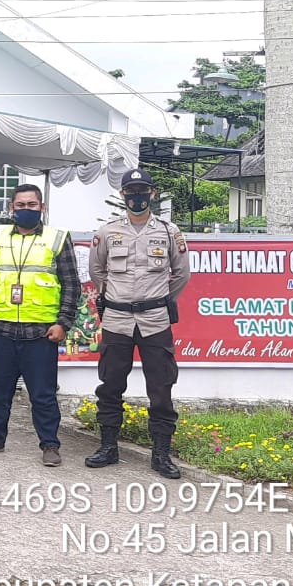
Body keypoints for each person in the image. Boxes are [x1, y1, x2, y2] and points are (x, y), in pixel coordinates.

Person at [85, 168, 191, 478]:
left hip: (155, 319)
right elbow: (97, 271)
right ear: (123, 195)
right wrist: (115, 297)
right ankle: (108, 447)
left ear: (153, 194)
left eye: (142, 191)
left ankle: (161, 454)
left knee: (161, 387)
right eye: (131, 192)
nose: (137, 197)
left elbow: (181, 274)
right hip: (117, 318)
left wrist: (157, 298)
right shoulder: (106, 232)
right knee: (110, 385)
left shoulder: (170, 232)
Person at [0, 183, 79, 466]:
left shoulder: (57, 238)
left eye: (32, 205)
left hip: (41, 332)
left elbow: (71, 285)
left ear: (42, 207)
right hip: (1, 330)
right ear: (12, 208)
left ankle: (50, 444)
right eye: (20, 205)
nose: (26, 210)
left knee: (43, 395)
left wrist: (63, 323)